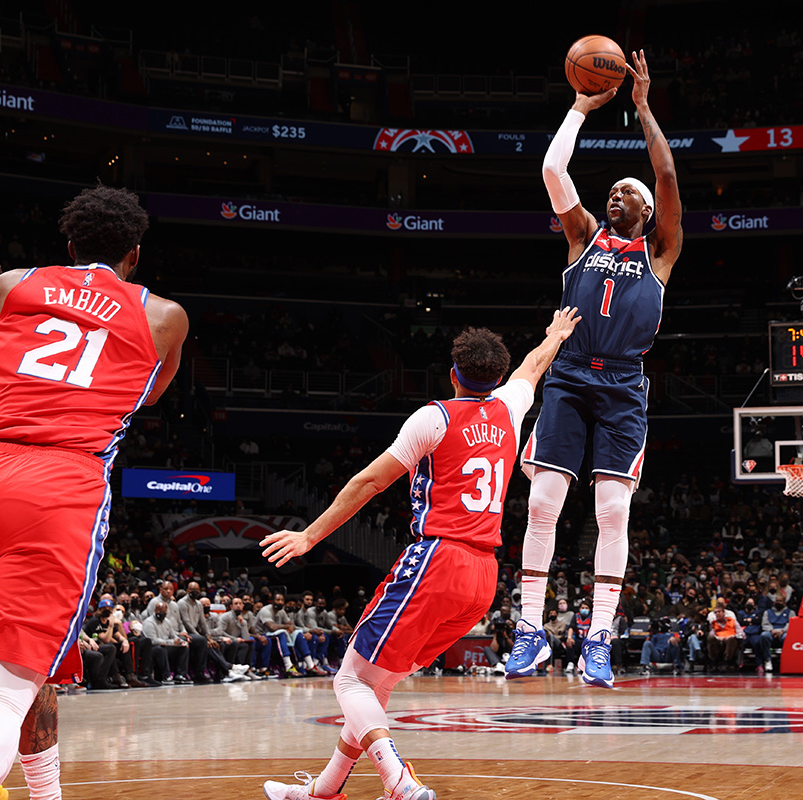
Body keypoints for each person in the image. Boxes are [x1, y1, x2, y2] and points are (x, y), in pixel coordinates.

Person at [260, 310, 579, 800]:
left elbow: (368, 481)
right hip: (485, 576)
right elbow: (532, 369)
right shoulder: (510, 409)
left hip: (438, 559)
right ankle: (324, 790)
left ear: (453, 374)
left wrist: (309, 536)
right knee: (376, 684)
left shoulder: (434, 416)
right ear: (497, 376)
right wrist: (555, 336)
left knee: (350, 681)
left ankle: (399, 781)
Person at [0, 187, 188, 797]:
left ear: (68, 244)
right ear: (135, 254)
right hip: (60, 486)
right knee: (5, 685)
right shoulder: (164, 316)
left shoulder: (11, 285)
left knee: (26, 677)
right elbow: (147, 393)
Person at [509, 50, 683, 690]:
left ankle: (599, 639)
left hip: (623, 386)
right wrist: (581, 109)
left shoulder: (661, 250)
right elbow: (554, 168)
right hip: (570, 371)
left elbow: (664, 175)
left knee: (613, 513)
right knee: (545, 502)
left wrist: (641, 108)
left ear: (646, 211)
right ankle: (530, 630)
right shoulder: (582, 238)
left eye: (626, 193)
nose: (616, 196)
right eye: (611, 191)